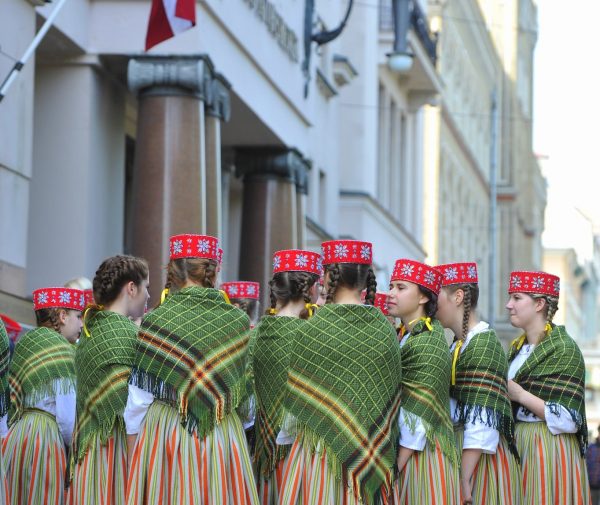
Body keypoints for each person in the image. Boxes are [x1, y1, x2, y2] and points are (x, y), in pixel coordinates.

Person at [125, 234, 259, 504]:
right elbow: (246, 401)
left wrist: (133, 449)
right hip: (221, 432)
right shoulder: (237, 321)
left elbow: (139, 399)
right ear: (213, 271)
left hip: (166, 433)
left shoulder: (155, 320)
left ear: (173, 271)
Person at [279, 240, 402, 504]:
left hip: (319, 453)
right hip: (368, 450)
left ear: (326, 276)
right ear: (366, 278)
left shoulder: (311, 328)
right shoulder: (384, 329)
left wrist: (288, 438)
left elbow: (296, 404)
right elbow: (391, 393)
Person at [436, 262, 520, 504]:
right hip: (463, 451)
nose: (432, 303)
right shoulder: (459, 343)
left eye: (437, 294)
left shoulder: (483, 344)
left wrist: (463, 479)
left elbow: (482, 420)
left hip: (479, 461)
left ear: (458, 297)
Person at [69, 255, 149, 505]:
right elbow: (135, 406)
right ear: (132, 288)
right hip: (118, 451)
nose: (148, 295)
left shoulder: (89, 332)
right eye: (146, 287)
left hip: (87, 449)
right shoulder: (131, 335)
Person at [506, 270, 591, 504]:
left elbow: (570, 419)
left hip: (548, 448)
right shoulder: (516, 350)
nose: (508, 305)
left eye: (517, 298)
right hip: (518, 444)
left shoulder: (564, 349)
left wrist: (520, 395)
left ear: (539, 304)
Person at [386, 259, 460, 504]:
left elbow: (418, 414)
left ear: (422, 298)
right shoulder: (408, 335)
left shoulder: (426, 342)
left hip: (420, 456)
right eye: (391, 286)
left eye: (401, 287)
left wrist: (395, 469)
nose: (391, 293)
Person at [250, 249, 321, 504]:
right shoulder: (315, 335)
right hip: (304, 449)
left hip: (262, 440)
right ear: (312, 289)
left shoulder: (257, 332)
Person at [3, 287, 84, 504]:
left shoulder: (26, 344)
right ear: (62, 316)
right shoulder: (62, 350)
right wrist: (75, 453)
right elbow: (67, 418)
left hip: (17, 436)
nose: (82, 324)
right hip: (45, 439)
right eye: (78, 316)